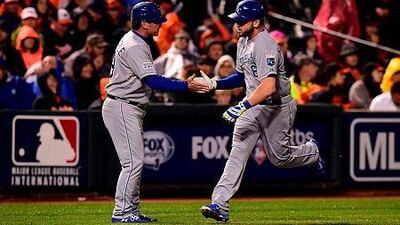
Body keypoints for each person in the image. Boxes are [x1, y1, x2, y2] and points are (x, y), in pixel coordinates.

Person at [196, 0, 322, 222]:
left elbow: (269, 87)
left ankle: (311, 152)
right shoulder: (243, 41)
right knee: (237, 152)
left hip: (277, 107)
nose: (237, 25)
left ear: (256, 21)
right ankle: (220, 204)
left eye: (241, 21)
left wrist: (242, 105)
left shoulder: (266, 44)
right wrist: (216, 84)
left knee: (279, 158)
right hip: (254, 106)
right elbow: (241, 75)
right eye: (236, 21)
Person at [101, 2, 208, 223]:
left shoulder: (138, 41)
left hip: (128, 105)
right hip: (122, 104)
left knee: (134, 162)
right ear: (145, 23)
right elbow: (151, 80)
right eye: (156, 22)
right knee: (132, 162)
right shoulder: (134, 45)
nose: (160, 25)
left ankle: (131, 210)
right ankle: (121, 213)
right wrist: (184, 86)